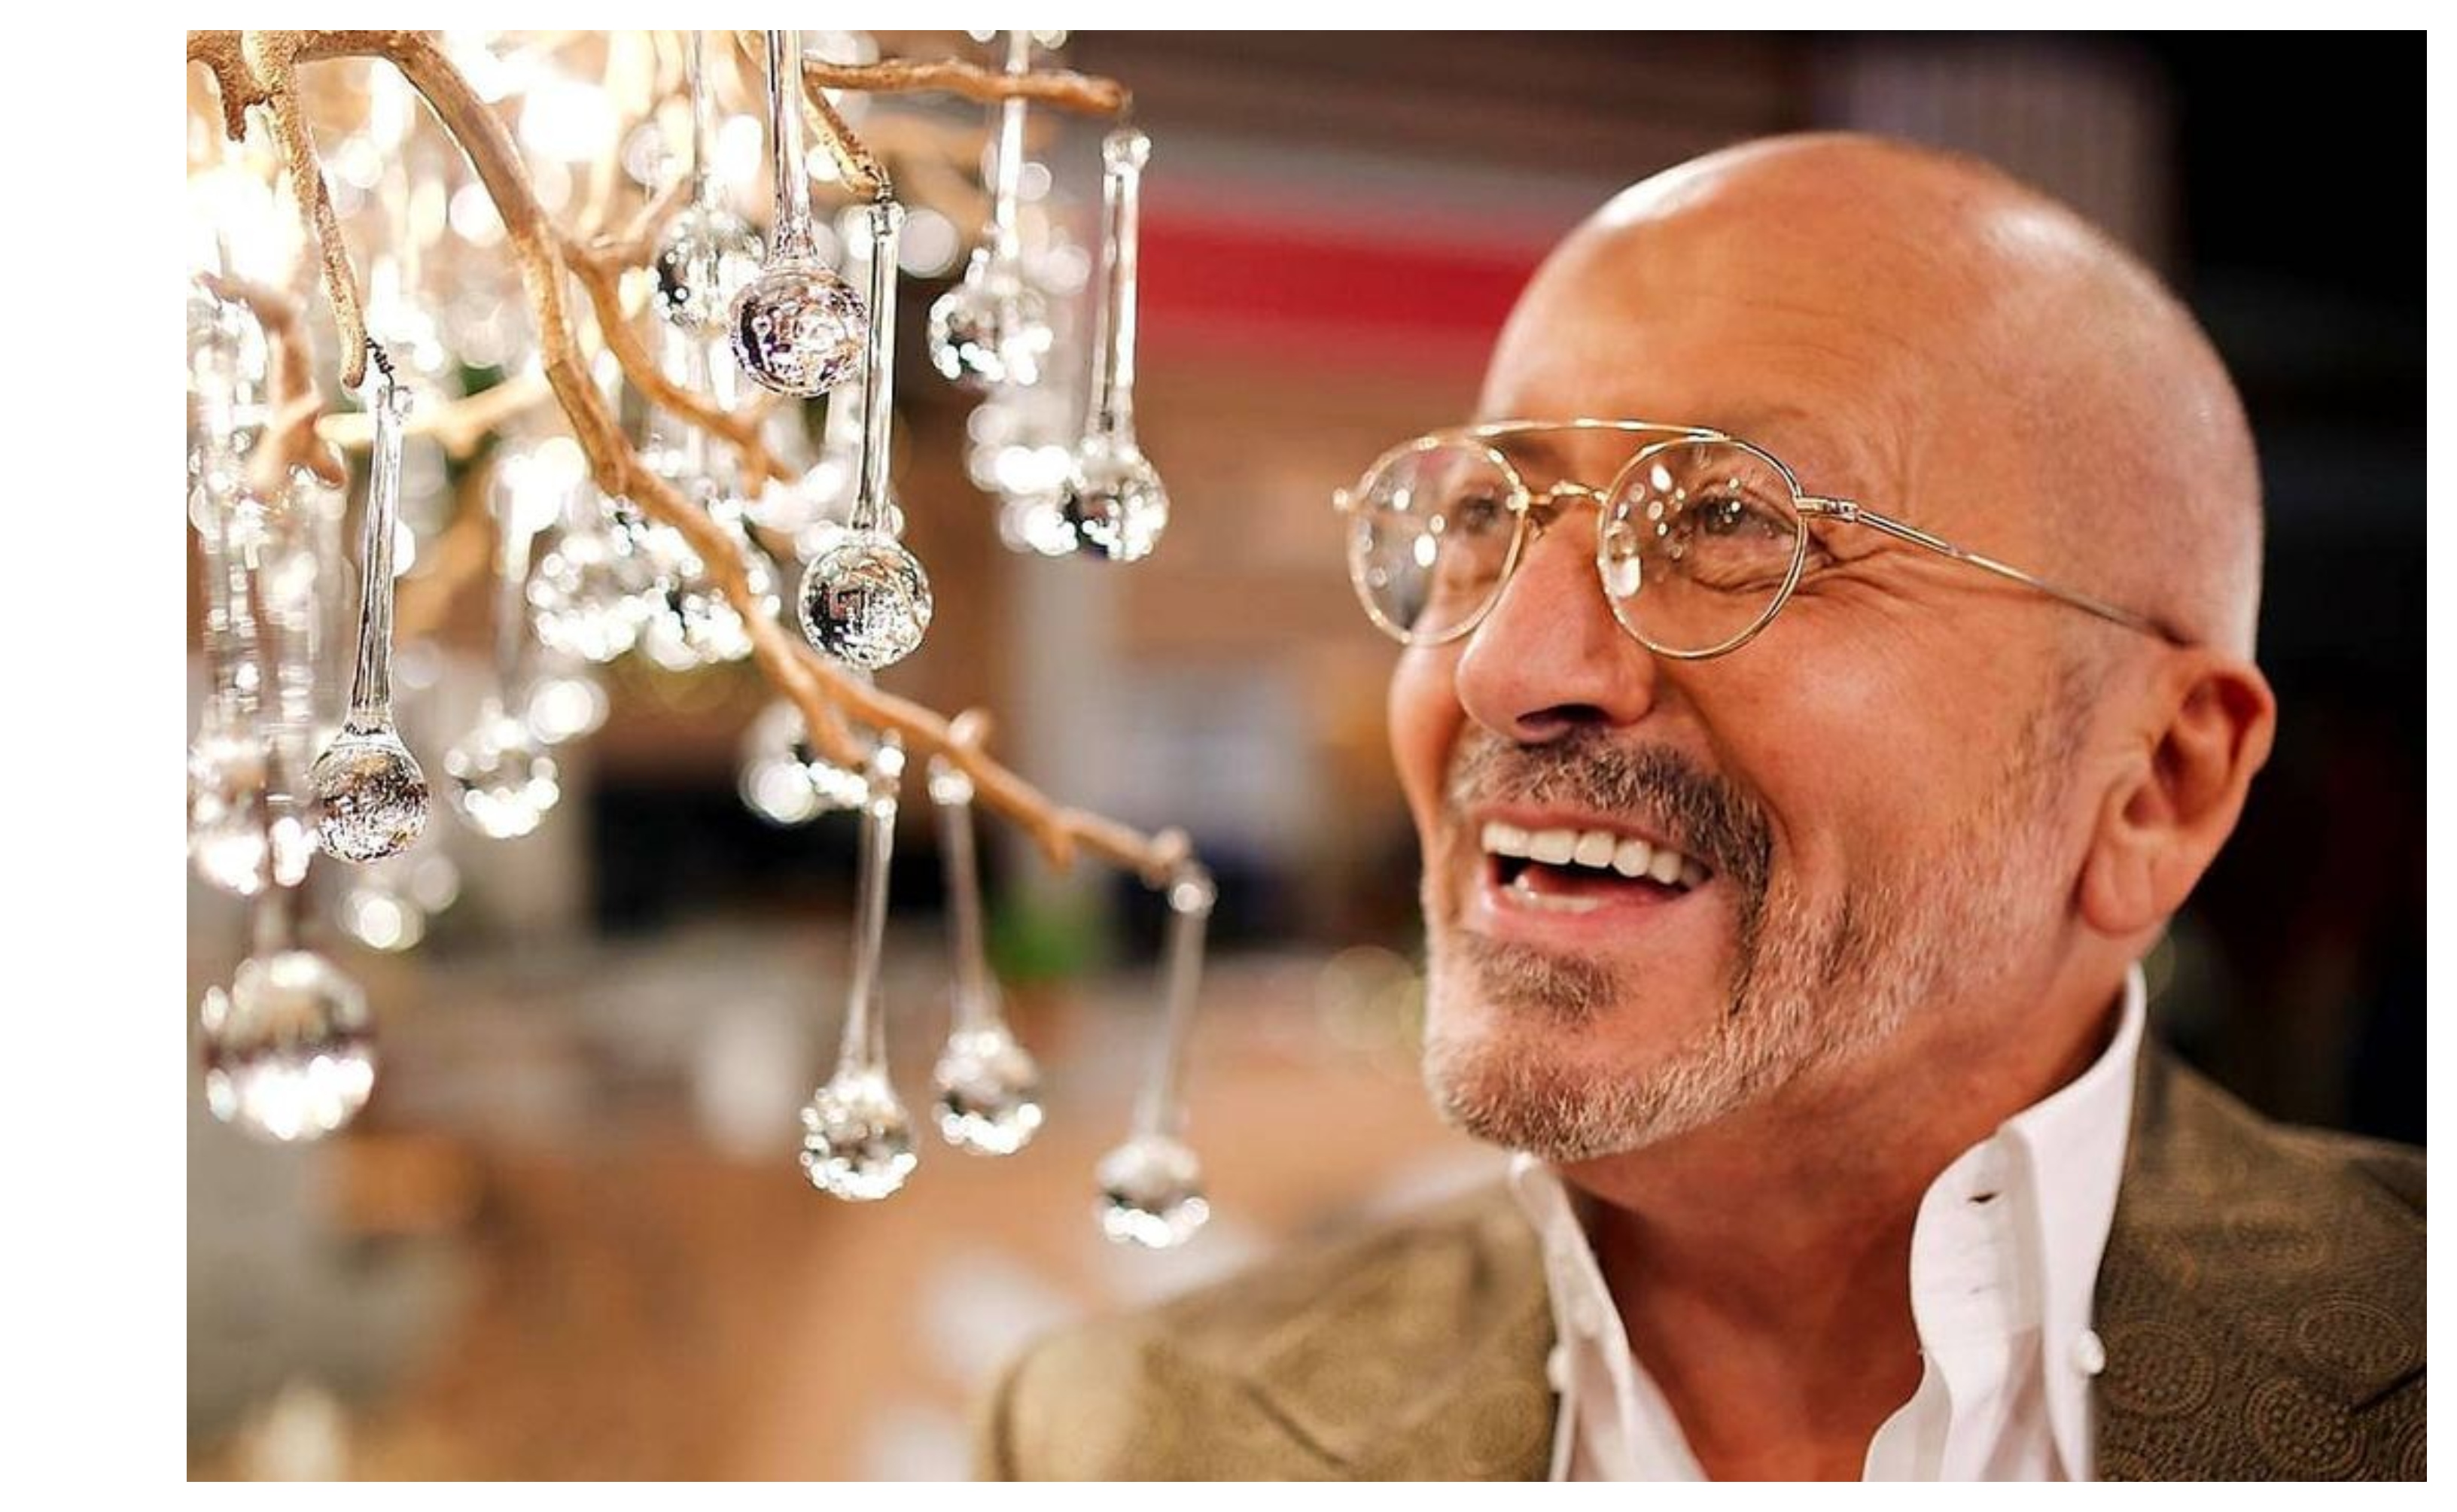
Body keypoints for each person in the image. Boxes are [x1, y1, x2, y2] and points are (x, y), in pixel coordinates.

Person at [974, 133, 2424, 1481]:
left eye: (1732, 522)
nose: (1501, 669)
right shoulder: (1129, 1443)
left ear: (2159, 783)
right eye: (1483, 518)